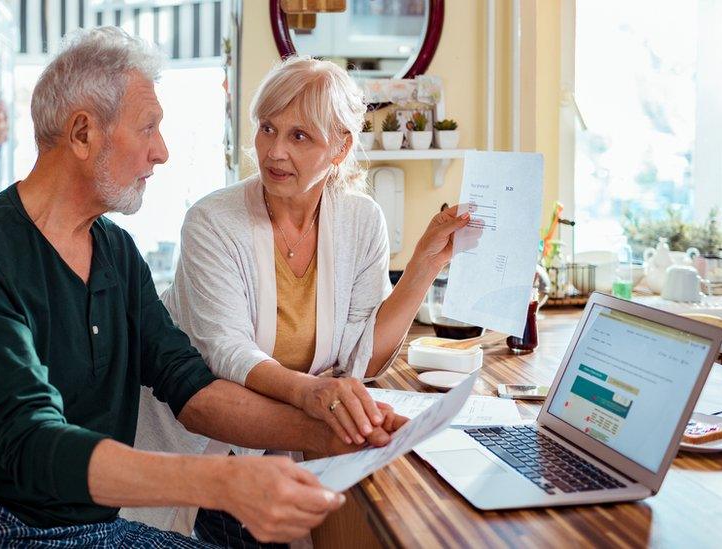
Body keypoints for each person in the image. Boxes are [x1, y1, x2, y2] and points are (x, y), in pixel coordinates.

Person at [0, 29, 407, 549]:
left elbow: (191, 388)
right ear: (82, 134)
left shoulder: (116, 253)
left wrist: (332, 431)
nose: (162, 151)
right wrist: (221, 482)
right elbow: (33, 445)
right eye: (148, 127)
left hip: (75, 526)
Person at [132, 56, 481, 547]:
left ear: (340, 146)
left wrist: (424, 264)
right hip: (204, 447)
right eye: (268, 128)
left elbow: (366, 356)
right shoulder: (212, 221)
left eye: (300, 136)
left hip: (287, 445)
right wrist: (311, 393)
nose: (274, 151)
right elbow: (228, 353)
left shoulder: (361, 222)